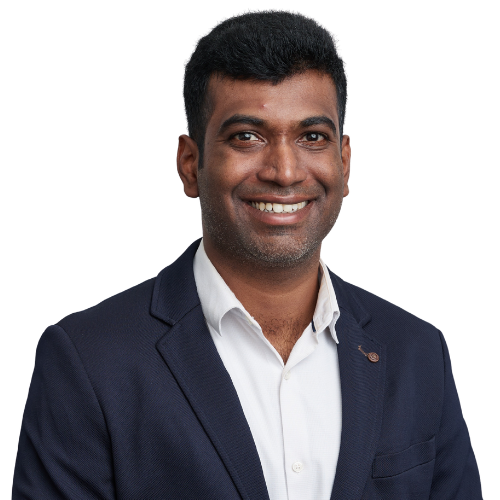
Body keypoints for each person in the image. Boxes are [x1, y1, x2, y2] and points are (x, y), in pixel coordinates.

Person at [12, 11, 482, 500]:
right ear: (190, 164)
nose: (284, 171)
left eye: (312, 137)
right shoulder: (89, 361)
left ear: (344, 163)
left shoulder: (417, 353)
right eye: (247, 137)